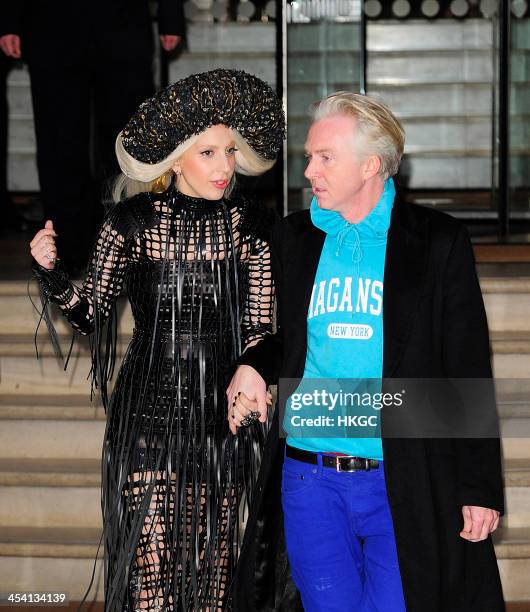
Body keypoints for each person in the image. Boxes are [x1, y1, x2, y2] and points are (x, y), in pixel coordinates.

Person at [228, 92, 505, 611]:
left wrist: (479, 484)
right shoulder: (293, 236)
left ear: (372, 164)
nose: (309, 169)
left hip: (401, 476)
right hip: (309, 477)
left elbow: (466, 366)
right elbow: (282, 337)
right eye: (309, 156)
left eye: (325, 157)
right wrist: (252, 364)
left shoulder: (436, 241)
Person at [29, 69, 285, 611]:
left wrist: (254, 373)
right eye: (209, 153)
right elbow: (90, 315)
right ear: (174, 158)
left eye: (230, 152)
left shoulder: (251, 225)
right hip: (146, 408)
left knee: (212, 582)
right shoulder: (131, 222)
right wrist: (51, 273)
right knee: (150, 581)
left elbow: (262, 327)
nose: (225, 167)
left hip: (222, 413)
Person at [1, 0, 185, 273]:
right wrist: (9, 20)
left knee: (128, 142)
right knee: (59, 142)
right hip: (51, 21)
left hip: (122, 21)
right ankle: (65, 252)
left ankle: (130, 250)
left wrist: (170, 14)